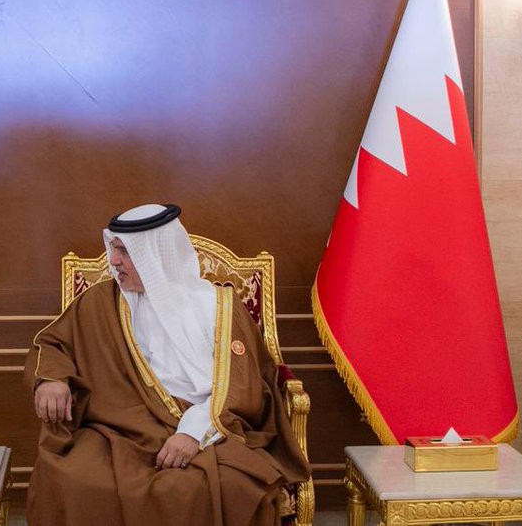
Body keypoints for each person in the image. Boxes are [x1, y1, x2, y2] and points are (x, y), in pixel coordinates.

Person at [25, 203, 309, 526]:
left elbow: (245, 387)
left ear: (156, 255)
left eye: (124, 251)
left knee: (229, 486)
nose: (113, 261)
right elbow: (53, 343)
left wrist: (193, 434)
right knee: (72, 479)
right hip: (117, 427)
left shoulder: (220, 307)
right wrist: (52, 379)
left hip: (208, 423)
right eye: (113, 248)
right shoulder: (100, 302)